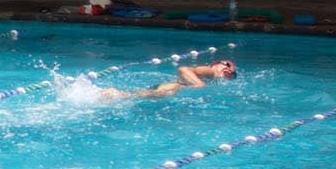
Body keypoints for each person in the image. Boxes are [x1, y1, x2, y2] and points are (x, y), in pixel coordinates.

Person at [101, 59, 239, 99]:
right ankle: (116, 93)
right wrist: (199, 84)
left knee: (141, 95)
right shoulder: (211, 72)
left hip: (174, 86)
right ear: (217, 65)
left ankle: (116, 93)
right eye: (227, 66)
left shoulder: (215, 78)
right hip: (175, 86)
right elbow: (183, 69)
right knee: (156, 94)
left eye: (233, 73)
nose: (230, 71)